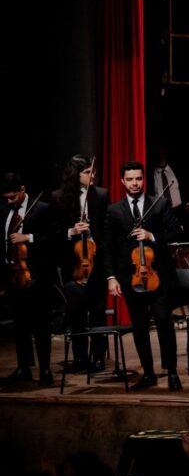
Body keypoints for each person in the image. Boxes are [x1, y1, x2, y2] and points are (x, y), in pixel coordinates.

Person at [104, 162, 182, 390]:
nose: (135, 183)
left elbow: (176, 230)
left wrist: (152, 235)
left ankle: (172, 372)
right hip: (130, 278)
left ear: (143, 179)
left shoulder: (158, 204)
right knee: (139, 326)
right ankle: (148, 372)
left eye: (138, 179)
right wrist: (111, 277)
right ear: (122, 181)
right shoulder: (114, 210)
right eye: (130, 179)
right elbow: (108, 247)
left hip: (159, 277)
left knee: (164, 321)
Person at [52, 155, 110, 374]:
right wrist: (71, 231)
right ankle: (79, 358)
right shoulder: (58, 198)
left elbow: (106, 229)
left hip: (96, 262)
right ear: (76, 175)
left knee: (97, 312)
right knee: (75, 312)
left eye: (92, 172)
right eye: (87, 172)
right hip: (72, 263)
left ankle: (98, 358)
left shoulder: (101, 195)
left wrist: (93, 237)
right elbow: (54, 234)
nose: (92, 175)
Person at [3, 173, 56, 385]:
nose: (9, 202)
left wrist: (28, 238)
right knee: (20, 326)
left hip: (37, 277)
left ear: (23, 190)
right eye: (6, 198)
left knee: (41, 326)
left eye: (13, 197)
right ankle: (24, 367)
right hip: (14, 277)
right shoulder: (5, 211)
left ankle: (45, 371)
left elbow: (55, 238)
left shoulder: (41, 208)